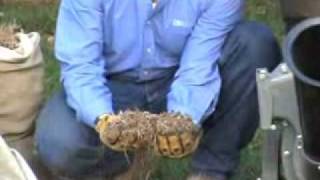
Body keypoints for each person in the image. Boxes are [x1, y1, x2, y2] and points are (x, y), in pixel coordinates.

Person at [35, 0, 281, 179]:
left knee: (254, 44)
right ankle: (123, 164)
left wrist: (183, 117)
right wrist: (104, 120)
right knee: (59, 143)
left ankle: (210, 171)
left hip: (178, 76)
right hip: (112, 85)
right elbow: (81, 66)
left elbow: (199, 65)